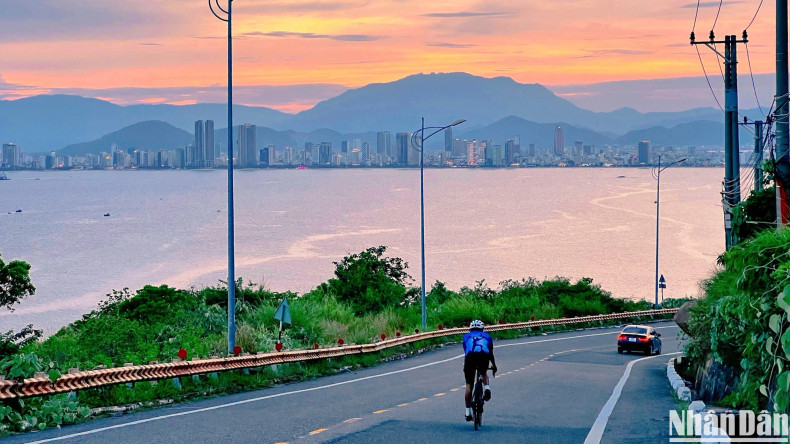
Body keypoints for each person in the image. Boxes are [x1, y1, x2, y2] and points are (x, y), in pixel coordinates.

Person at [462, 319, 497, 421]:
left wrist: (466, 366)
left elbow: (466, 351)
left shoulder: (466, 336)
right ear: (482, 329)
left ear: (470, 329)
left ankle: (468, 413)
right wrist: (494, 366)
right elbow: (491, 353)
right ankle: (487, 388)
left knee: (469, 386)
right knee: (483, 372)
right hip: (483, 356)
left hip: (470, 358)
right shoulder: (487, 336)